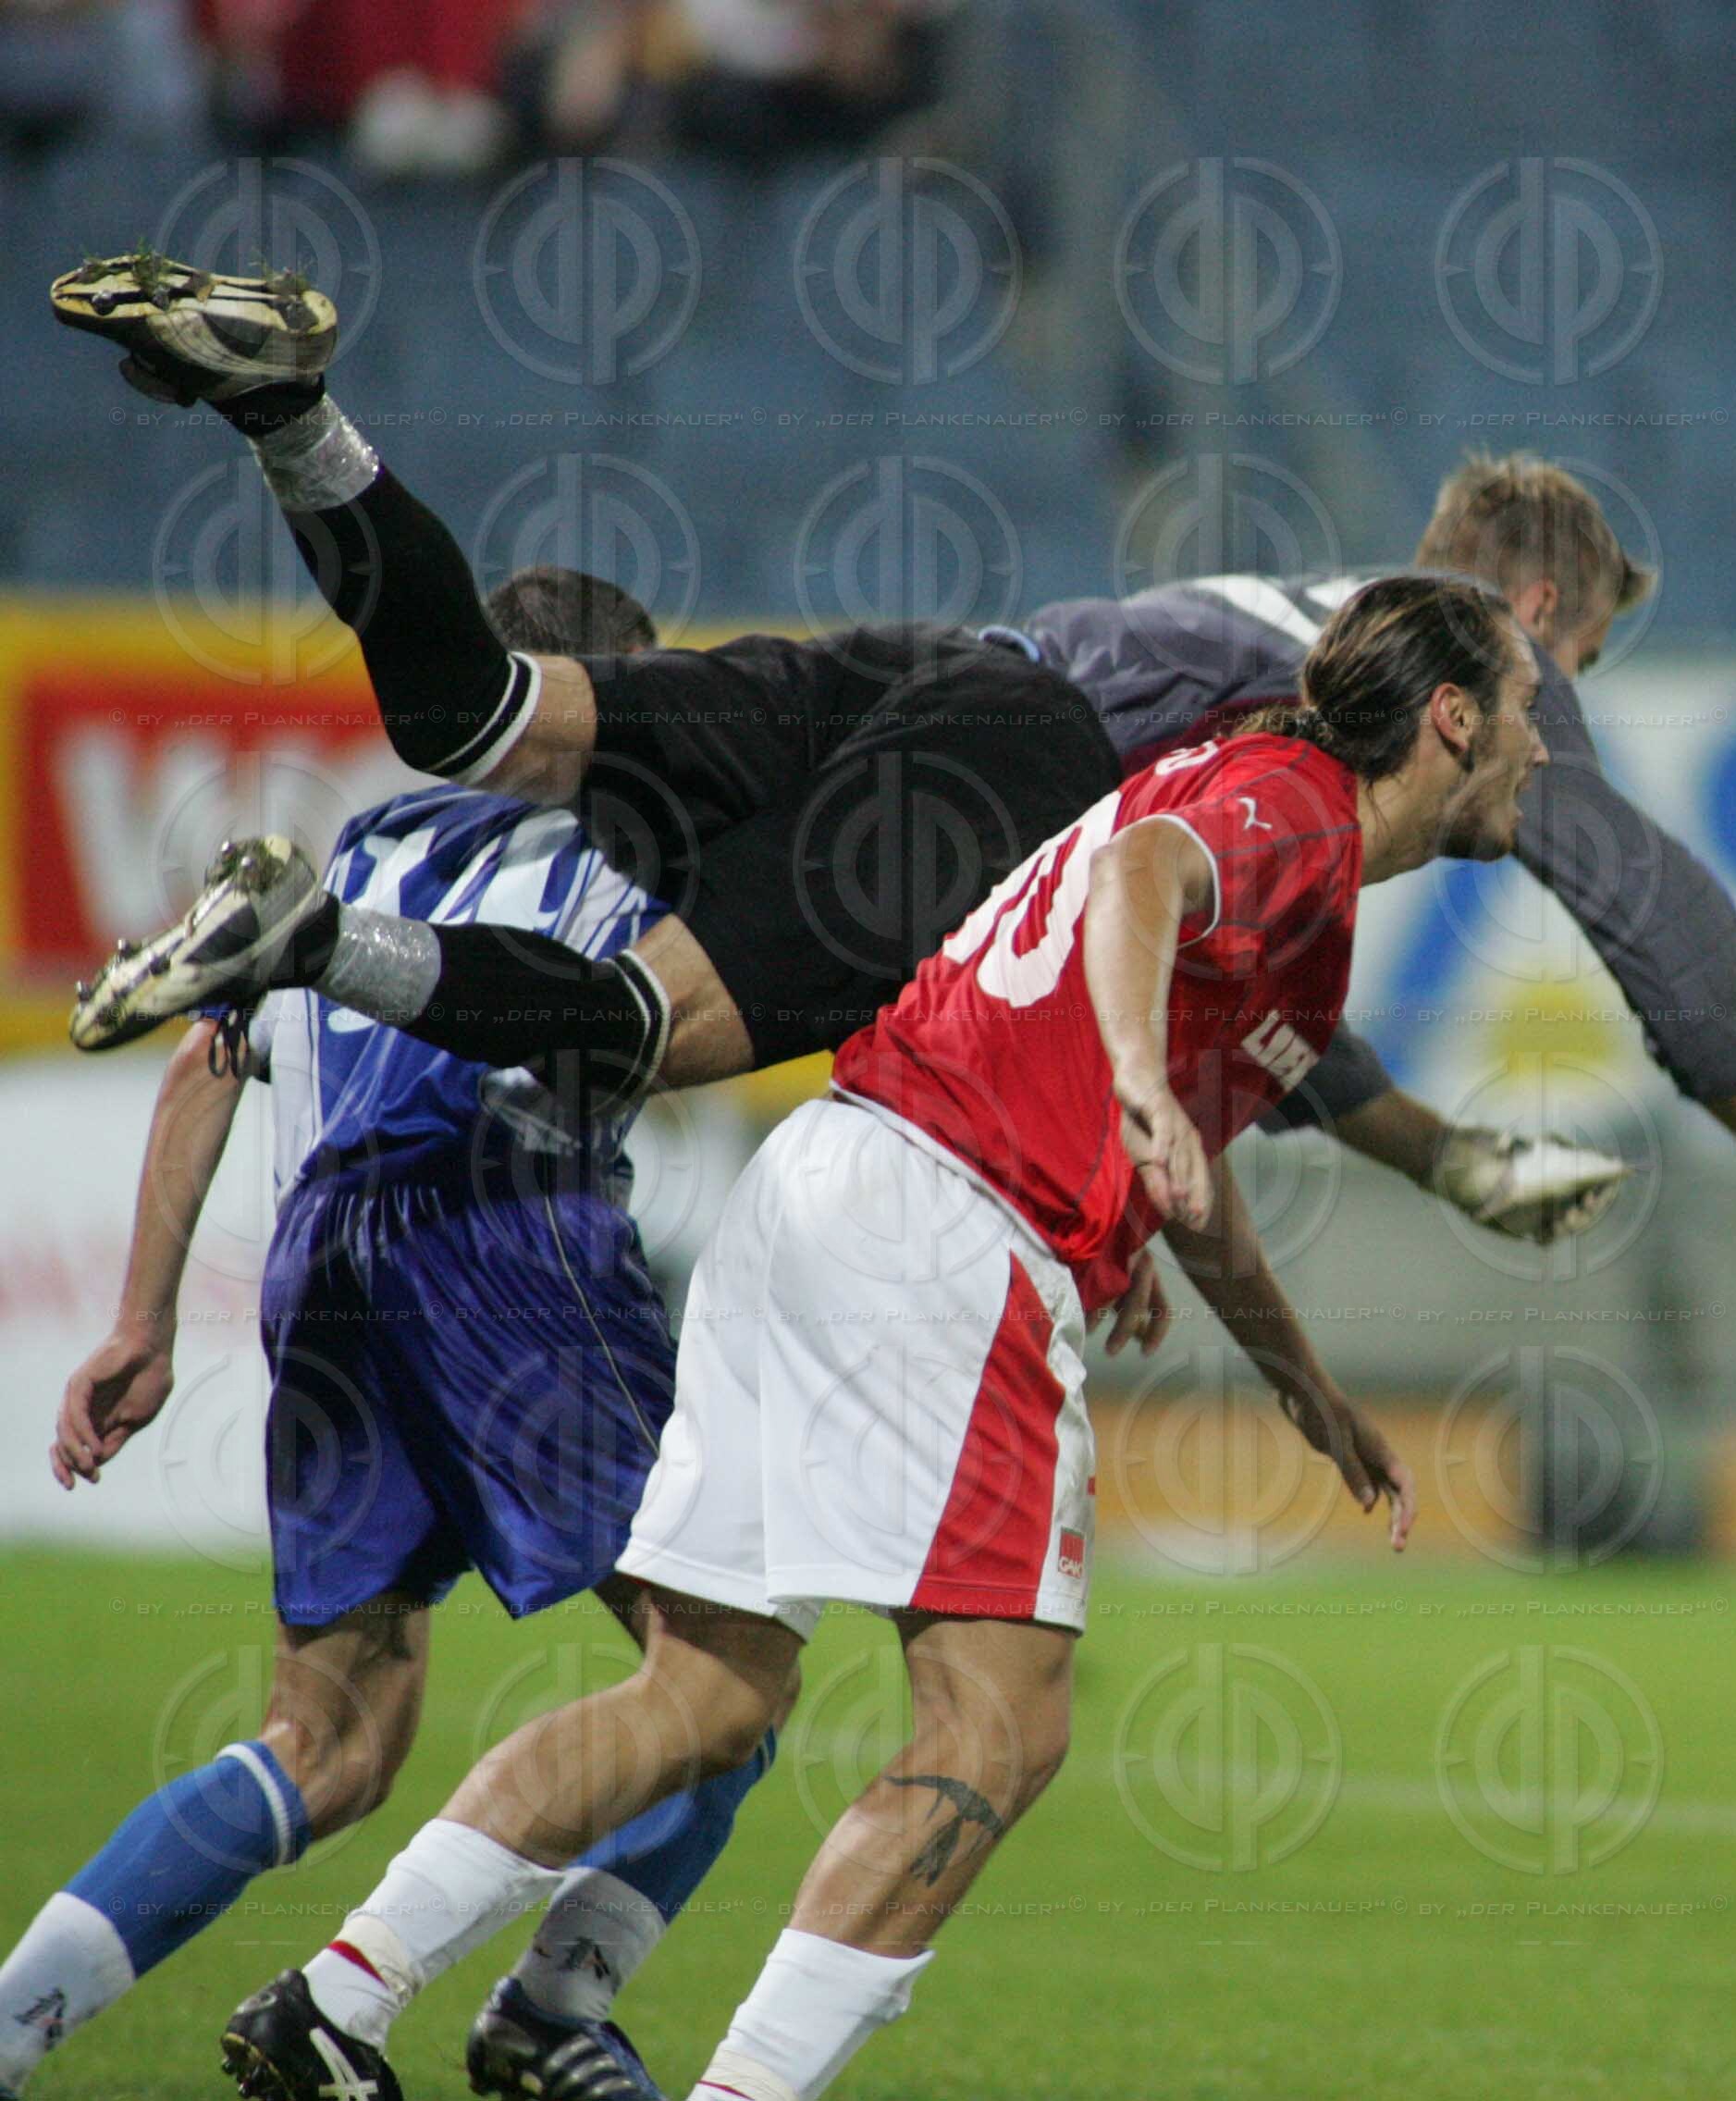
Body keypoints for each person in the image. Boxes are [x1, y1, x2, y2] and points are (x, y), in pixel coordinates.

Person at [217, 568, 1526, 2101]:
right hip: (948, 1230)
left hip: (829, 1183)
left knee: (704, 1695)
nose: (1542, 749)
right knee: (997, 1734)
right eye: (1524, 712)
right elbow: (1136, 884)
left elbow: (1187, 1146)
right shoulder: (1293, 799)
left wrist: (1302, 1383)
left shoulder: (1286, 881)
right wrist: (1134, 1088)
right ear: (1450, 718)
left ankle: (336, 1997)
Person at [55, 253, 1632, 1253]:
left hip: (924, 669)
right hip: (1009, 778)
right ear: (1513, 636)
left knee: (472, 715)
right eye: (1558, 682)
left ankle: (294, 422)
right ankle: (317, 940)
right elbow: (1224, 963)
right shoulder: (1341, 740)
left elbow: (1265, 1032)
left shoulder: (1296, 669)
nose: (1552, 734)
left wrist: (1448, 1162)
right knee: (636, 1032)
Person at [0, 575, 781, 2101]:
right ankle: (517, 2015)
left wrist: (142, 1323)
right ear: (607, 707)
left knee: (330, 1742)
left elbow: (207, 1064)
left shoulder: (359, 847)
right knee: (726, 1677)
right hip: (510, 1231)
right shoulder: (648, 827)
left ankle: (17, 2021)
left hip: (322, 1259)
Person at [1023, 451, 1736, 1268]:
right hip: (985, 764)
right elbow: (1658, 912)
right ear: (1538, 609)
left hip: (983, 772)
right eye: (1572, 668)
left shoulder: (1315, 712)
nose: (1552, 734)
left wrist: (1451, 1160)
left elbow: (1252, 1014)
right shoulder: (1473, 640)